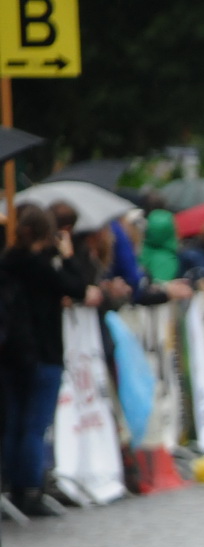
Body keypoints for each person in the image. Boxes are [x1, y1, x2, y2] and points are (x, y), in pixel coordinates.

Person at [0, 204, 93, 517]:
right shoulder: (42, 267)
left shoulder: (8, 262)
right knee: (35, 424)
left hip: (11, 353)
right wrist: (67, 255)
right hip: (42, 351)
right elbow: (77, 286)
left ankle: (12, 486)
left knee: (14, 420)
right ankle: (30, 487)